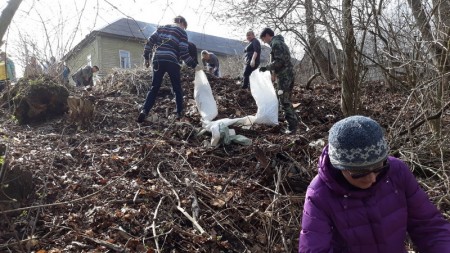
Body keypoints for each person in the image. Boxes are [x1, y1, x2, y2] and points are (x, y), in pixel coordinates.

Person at [298, 115, 450, 252]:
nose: (372, 178)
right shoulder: (319, 194)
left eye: (378, 169)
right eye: (359, 173)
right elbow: (315, 249)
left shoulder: (397, 172)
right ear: (340, 166)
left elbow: (429, 227)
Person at [137, 15, 200, 123]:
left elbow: (150, 41)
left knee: (154, 87)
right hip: (172, 61)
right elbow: (184, 52)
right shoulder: (181, 32)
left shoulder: (161, 28)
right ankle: (180, 114)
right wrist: (195, 65)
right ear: (181, 22)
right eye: (184, 26)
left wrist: (146, 57)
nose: (184, 29)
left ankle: (144, 110)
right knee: (177, 89)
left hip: (157, 59)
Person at [259, 28, 299, 134]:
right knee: (287, 100)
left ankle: (292, 127)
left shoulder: (276, 43)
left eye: (263, 39)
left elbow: (279, 61)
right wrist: (273, 73)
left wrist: (266, 68)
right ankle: (294, 122)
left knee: (284, 101)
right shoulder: (280, 42)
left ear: (267, 35)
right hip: (288, 75)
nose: (264, 41)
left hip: (284, 76)